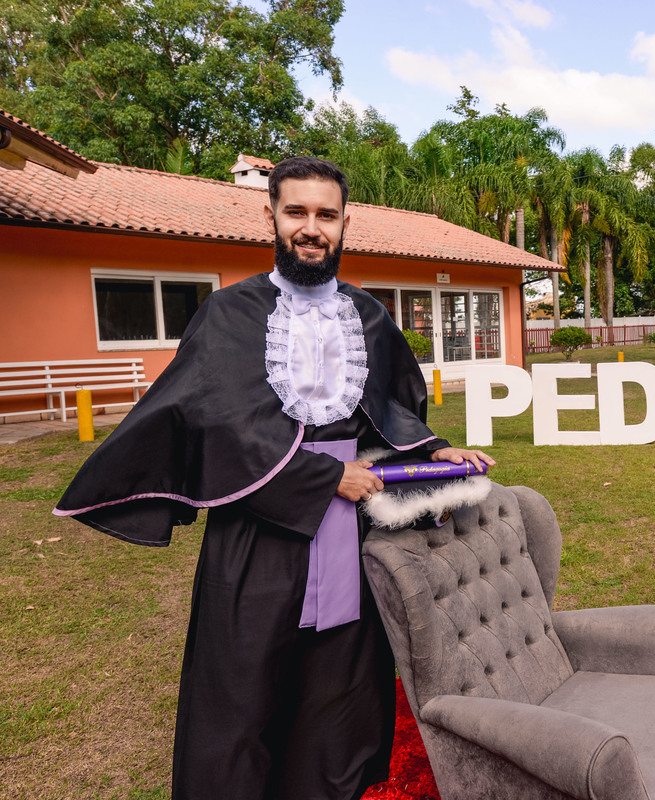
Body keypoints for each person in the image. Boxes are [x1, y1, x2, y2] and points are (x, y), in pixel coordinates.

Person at [55, 157, 494, 800]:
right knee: (239, 692)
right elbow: (216, 421)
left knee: (340, 692)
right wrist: (323, 477)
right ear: (271, 216)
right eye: (297, 212)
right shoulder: (229, 313)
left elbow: (392, 408)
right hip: (256, 532)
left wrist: (436, 452)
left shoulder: (369, 315)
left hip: (351, 534)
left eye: (326, 215)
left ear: (345, 224)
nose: (311, 228)